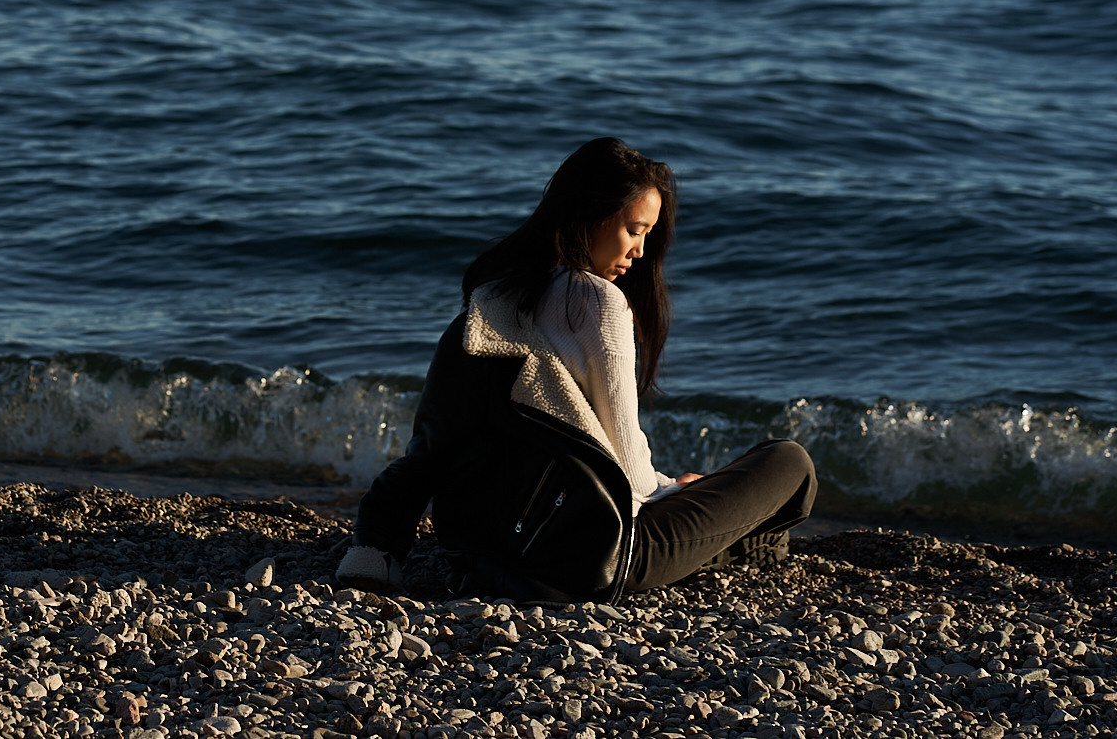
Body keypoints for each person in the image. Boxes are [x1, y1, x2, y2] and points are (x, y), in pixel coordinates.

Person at [336, 137, 815, 603]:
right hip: (595, 557)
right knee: (789, 463)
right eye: (634, 230)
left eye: (647, 235)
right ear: (590, 214)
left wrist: (375, 546)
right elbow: (626, 464)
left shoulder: (492, 305)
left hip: (492, 551)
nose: (640, 251)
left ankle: (741, 547)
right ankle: (739, 547)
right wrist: (672, 490)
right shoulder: (599, 303)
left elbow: (430, 448)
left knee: (749, 521)